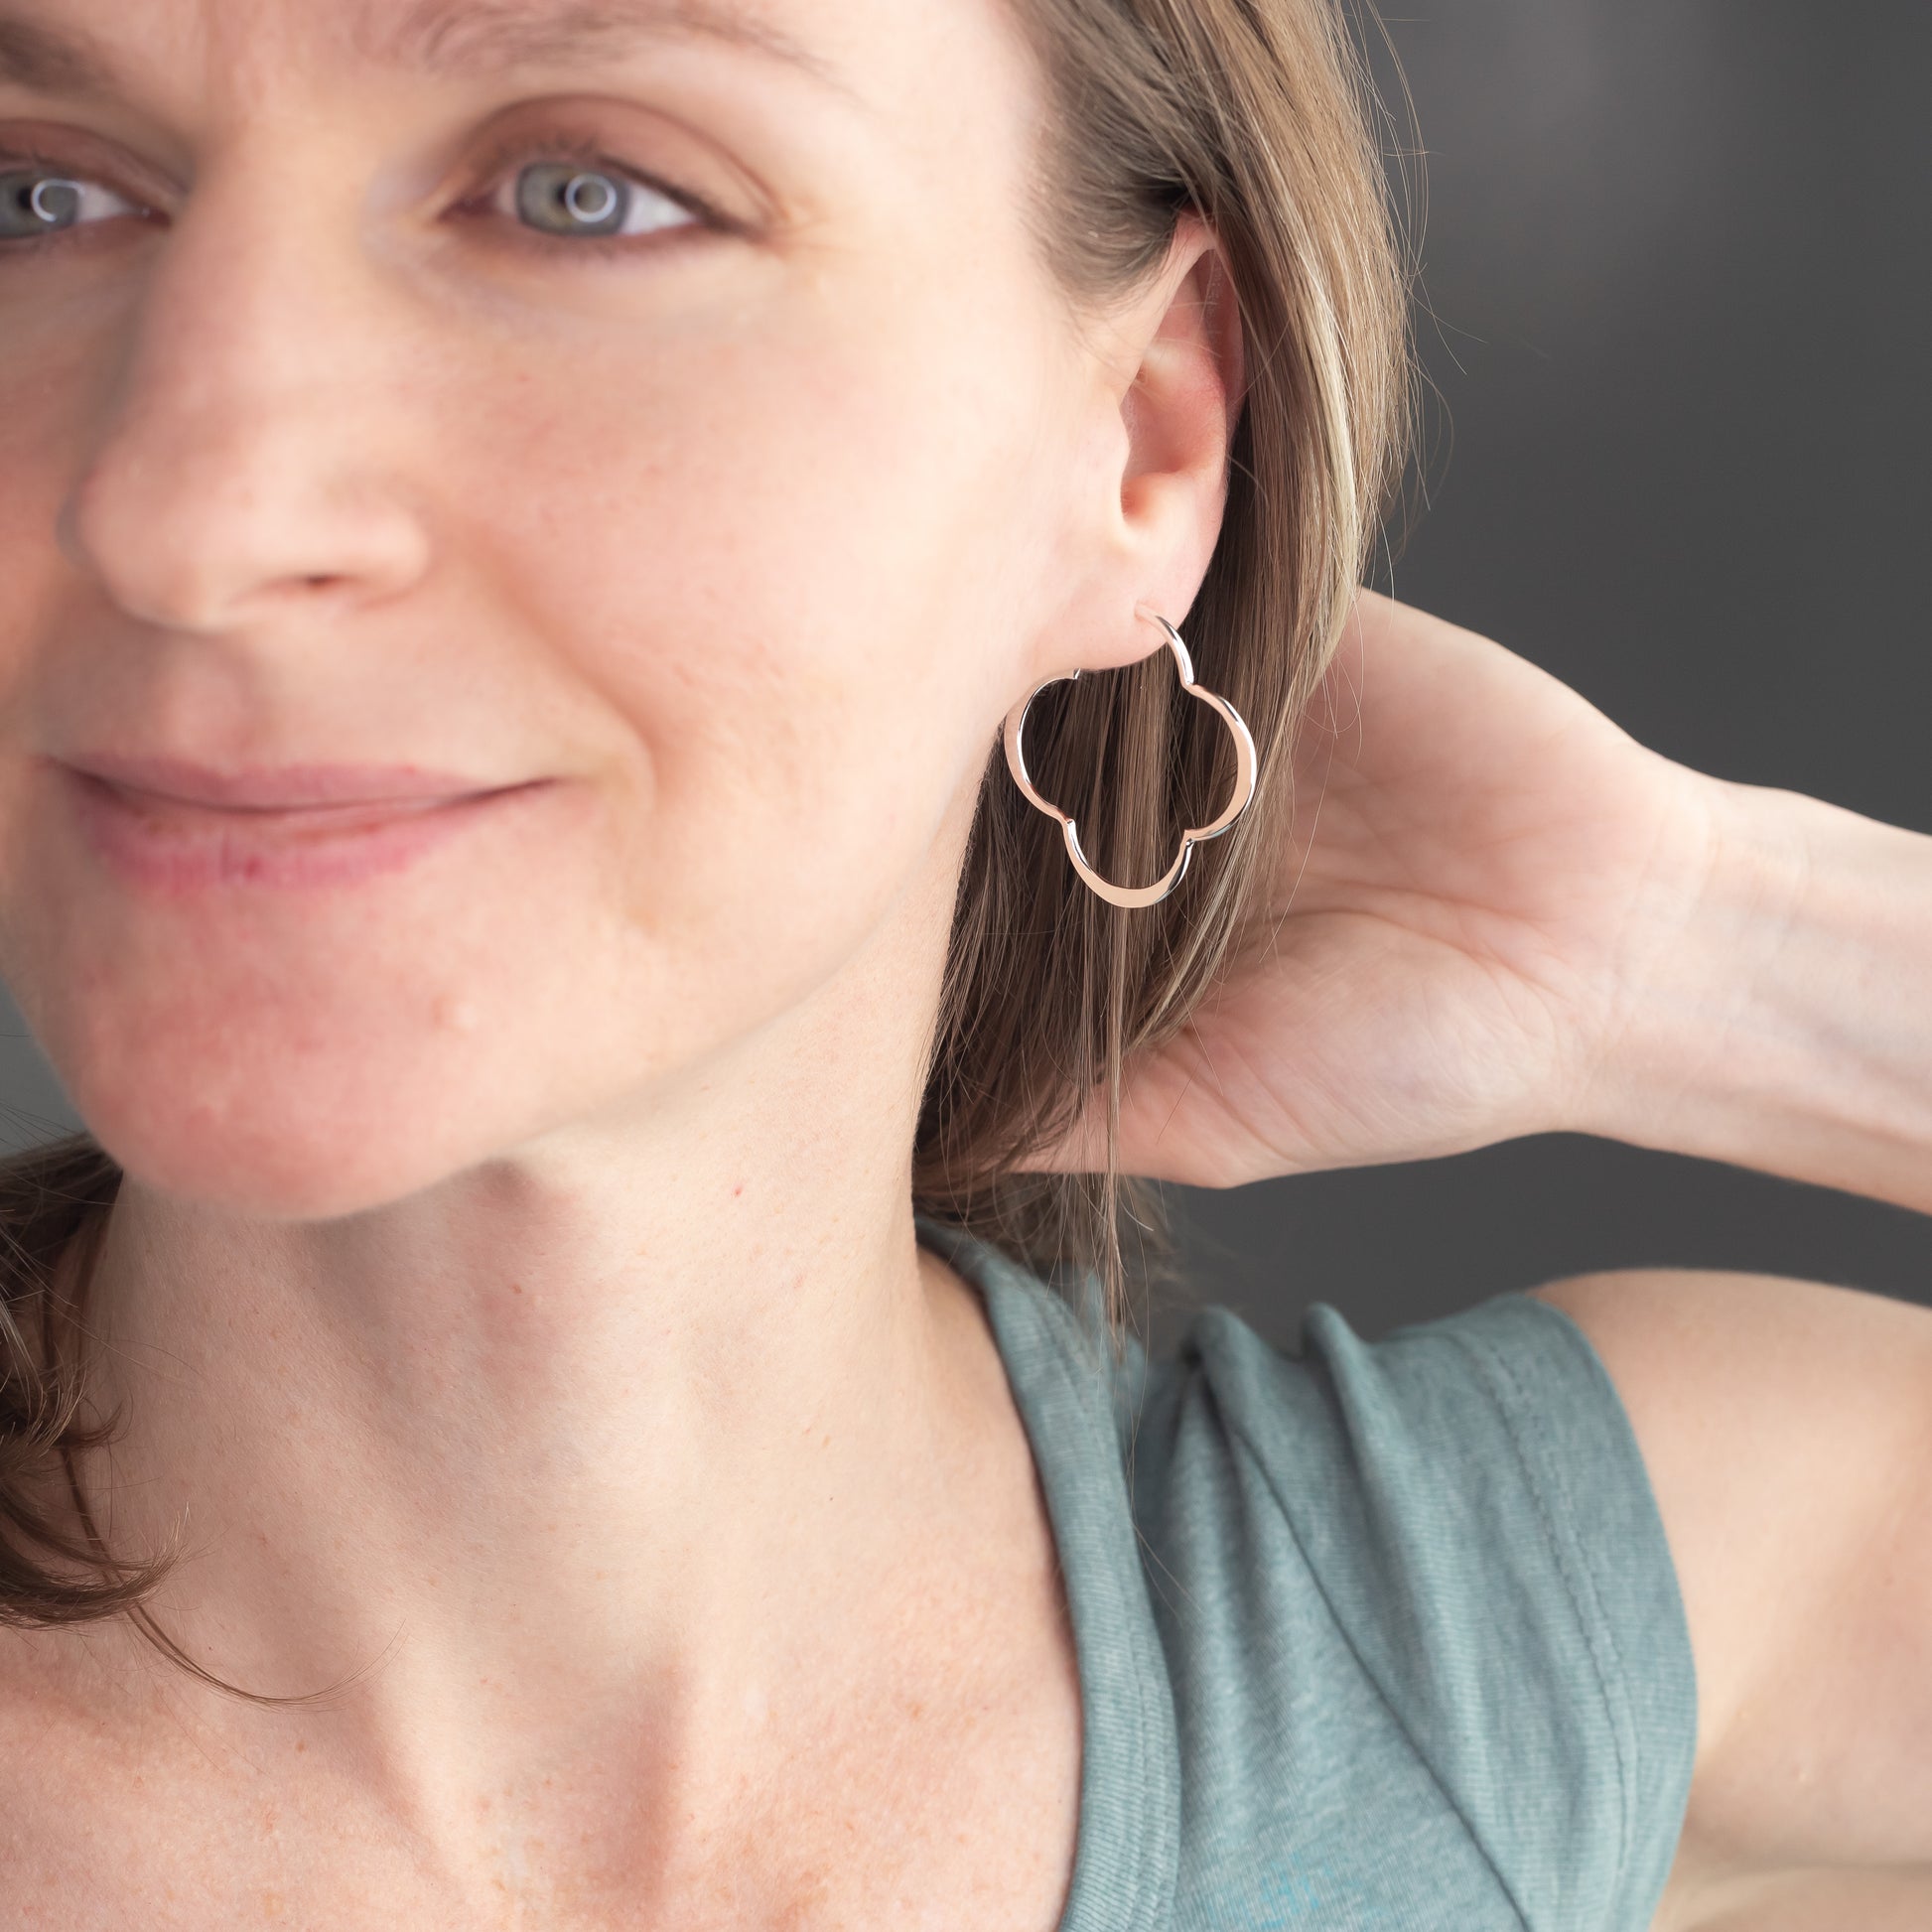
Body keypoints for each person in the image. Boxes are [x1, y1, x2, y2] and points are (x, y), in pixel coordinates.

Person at [0, 0, 1926, 1925]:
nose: (184, 514)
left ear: (1142, 440)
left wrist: (1693, 937)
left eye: (585, 199)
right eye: (34, 193)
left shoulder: (1497, 1658)